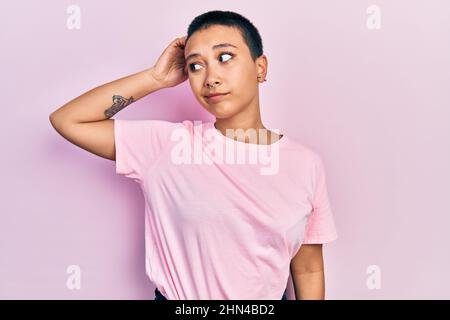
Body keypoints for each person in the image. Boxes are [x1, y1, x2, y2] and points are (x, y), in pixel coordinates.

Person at [49, 10, 338, 300]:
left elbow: (308, 269)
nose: (211, 77)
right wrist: (155, 78)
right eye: (196, 66)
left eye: (225, 58)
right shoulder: (166, 146)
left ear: (260, 67)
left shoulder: (305, 164)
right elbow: (68, 120)